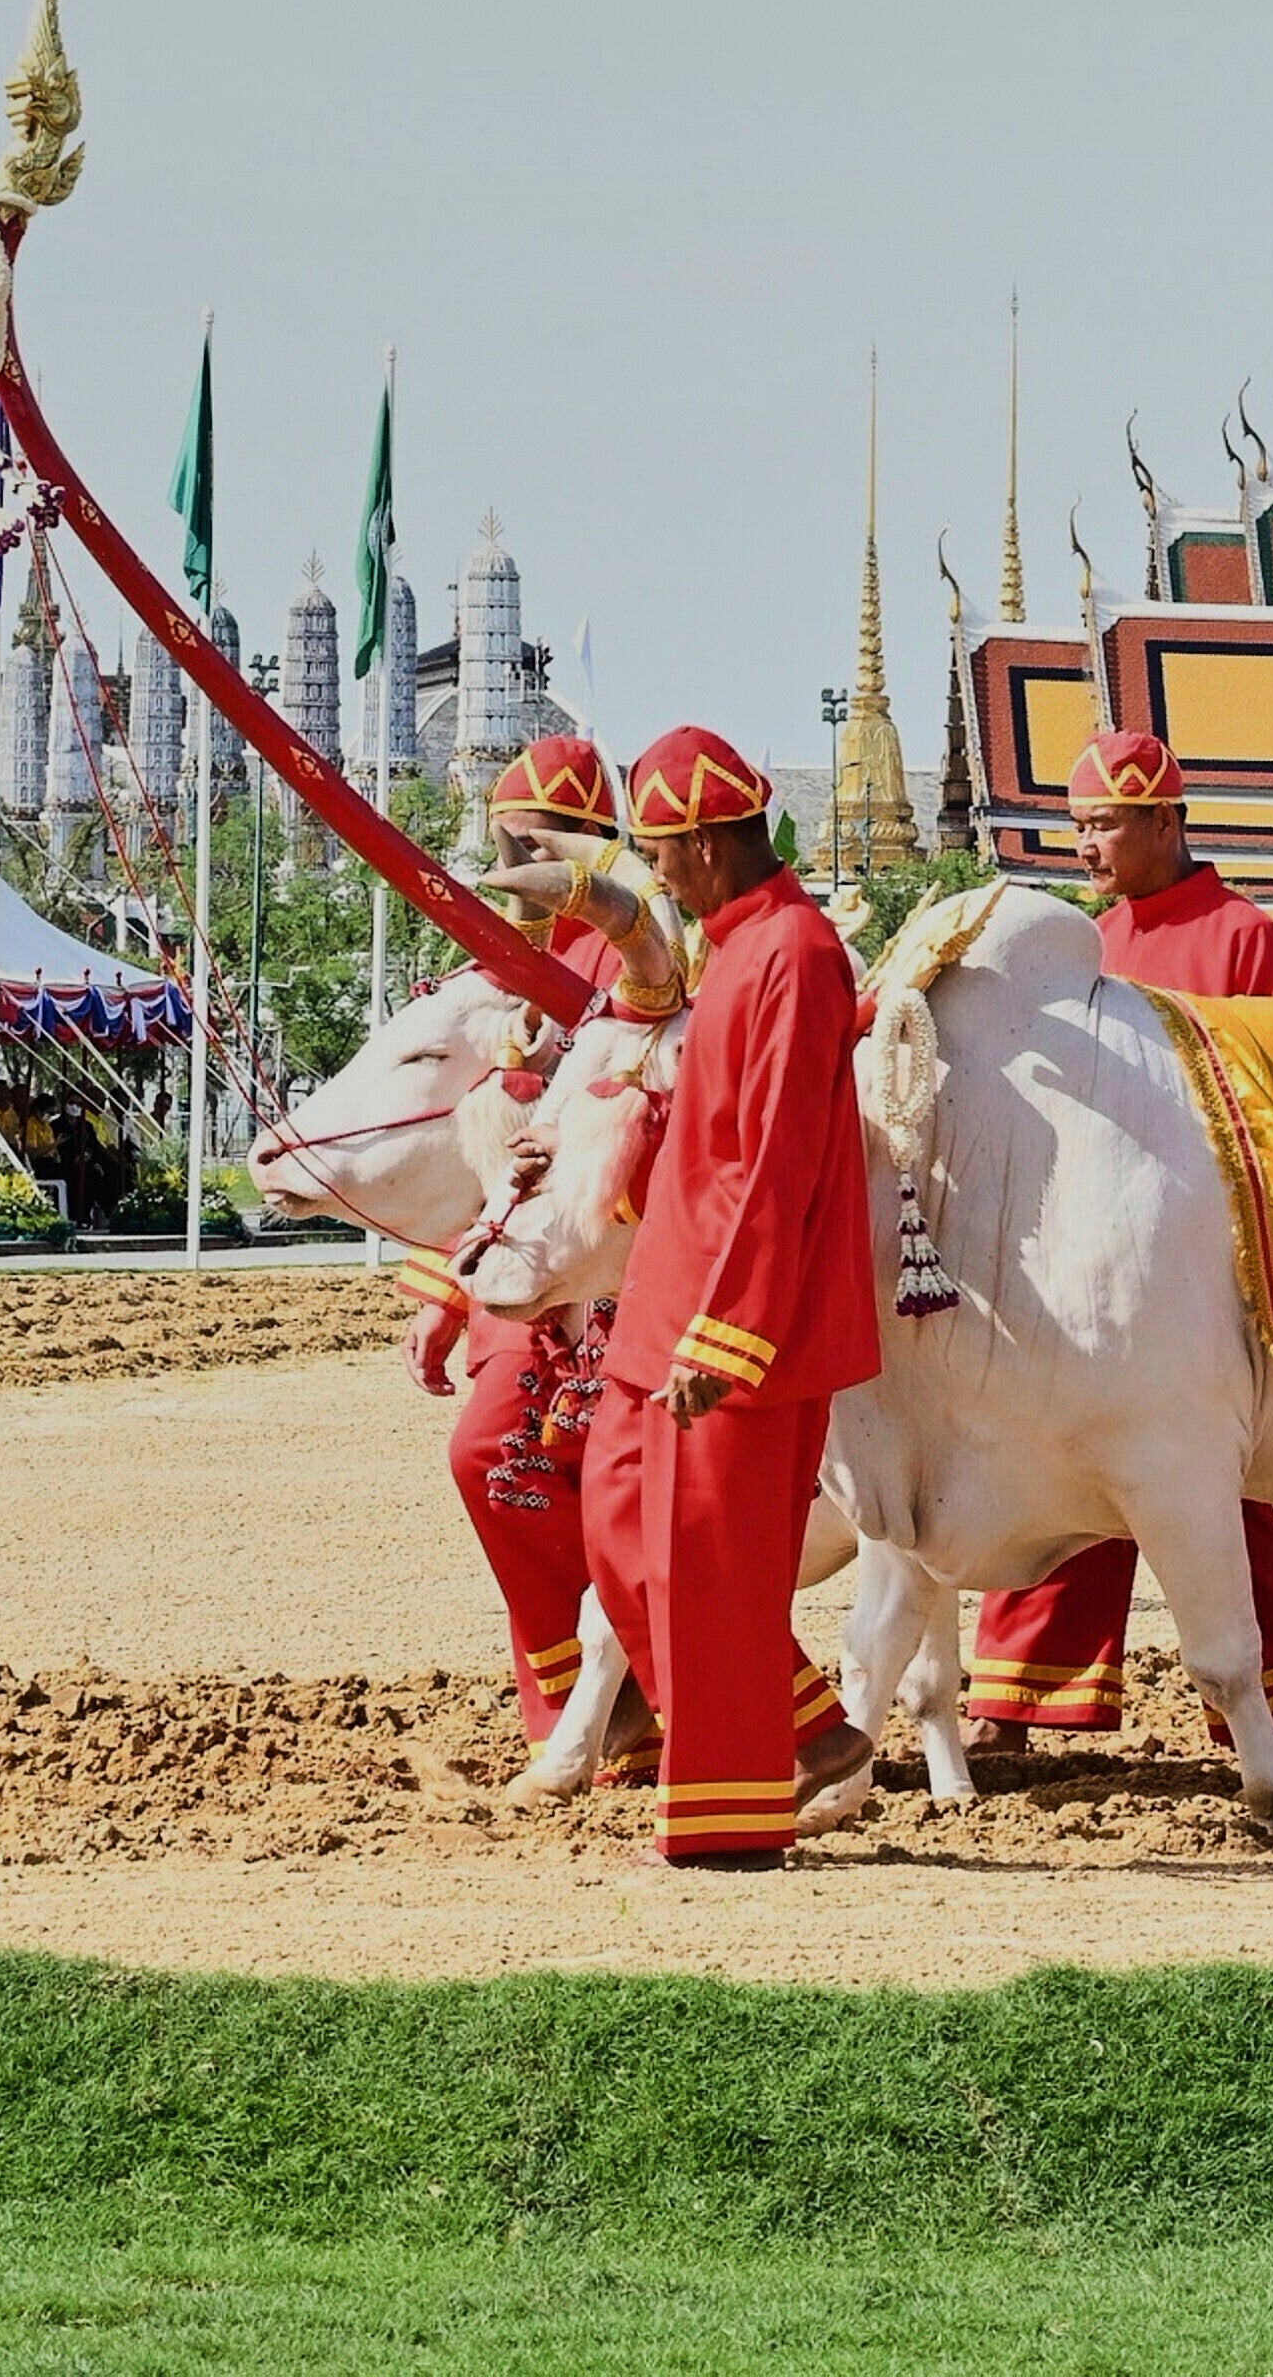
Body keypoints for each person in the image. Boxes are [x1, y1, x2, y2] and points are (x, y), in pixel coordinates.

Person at [965, 731, 1273, 1763]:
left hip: (1208, 1270)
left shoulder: (1249, 943)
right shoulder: (1083, 946)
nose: (1086, 846)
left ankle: (1270, 1706)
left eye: (1104, 825)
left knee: (1228, 1488)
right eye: (1077, 827)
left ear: (1166, 821)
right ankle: (1015, 1700)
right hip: (1088, 1263)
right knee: (1062, 1470)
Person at [583, 726, 878, 1864]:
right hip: (669, 1292)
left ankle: (727, 1818)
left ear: (706, 843)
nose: (655, 873)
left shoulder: (796, 952)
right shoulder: (734, 945)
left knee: (706, 1565)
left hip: (730, 1314)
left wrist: (730, 1332)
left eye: (660, 852)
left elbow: (780, 1156)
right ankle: (804, 1729)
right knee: (617, 1526)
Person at [398, 735, 650, 1746]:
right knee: (489, 1458)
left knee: (602, 1482)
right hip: (514, 1265)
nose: (516, 862)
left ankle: (633, 1691)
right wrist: (443, 1289)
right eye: (505, 841)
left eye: (535, 842)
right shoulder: (499, 966)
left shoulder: (642, 955)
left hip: (611, 1266)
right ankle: (588, 1700)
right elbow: (473, 1147)